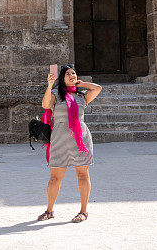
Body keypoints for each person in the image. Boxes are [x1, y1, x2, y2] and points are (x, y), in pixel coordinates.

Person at [37, 63, 102, 223]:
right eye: (68, 74)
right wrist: (50, 84)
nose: (72, 76)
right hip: (59, 139)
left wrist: (82, 84)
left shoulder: (81, 96)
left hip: (80, 140)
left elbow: (98, 88)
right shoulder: (56, 94)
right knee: (55, 178)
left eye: (74, 73)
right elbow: (45, 105)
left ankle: (83, 211)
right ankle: (49, 210)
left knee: (82, 174)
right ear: (62, 78)